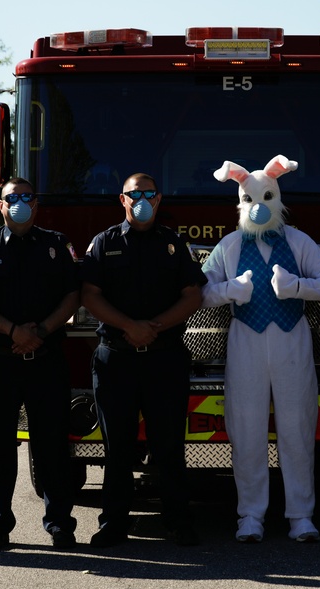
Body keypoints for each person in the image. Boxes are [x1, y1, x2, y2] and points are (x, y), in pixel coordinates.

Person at [202, 155, 320, 543]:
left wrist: (298, 287)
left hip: (292, 343)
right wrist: (229, 291)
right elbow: (196, 292)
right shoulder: (229, 246)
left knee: (297, 429)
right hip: (245, 344)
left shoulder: (299, 242)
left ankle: (301, 515)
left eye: (265, 197)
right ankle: (250, 516)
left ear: (277, 196)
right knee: (245, 430)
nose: (258, 206)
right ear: (239, 201)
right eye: (249, 199)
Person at [80, 172, 206, 548]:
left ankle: (179, 522)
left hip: (165, 359)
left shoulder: (173, 243)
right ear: (122, 199)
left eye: (149, 193)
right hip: (116, 359)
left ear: (159, 199)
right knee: (116, 446)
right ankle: (113, 524)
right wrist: (129, 327)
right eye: (135, 193)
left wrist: (154, 327)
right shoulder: (104, 243)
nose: (142, 199)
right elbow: (89, 294)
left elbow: (193, 294)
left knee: (169, 445)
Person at [0, 178, 81, 551]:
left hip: (46, 359)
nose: (20, 204)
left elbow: (73, 295)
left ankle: (60, 524)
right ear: (1, 205)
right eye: (12, 198)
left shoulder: (57, 245)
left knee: (53, 447)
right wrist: (13, 331)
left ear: (36, 204)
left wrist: (39, 330)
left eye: (27, 197)